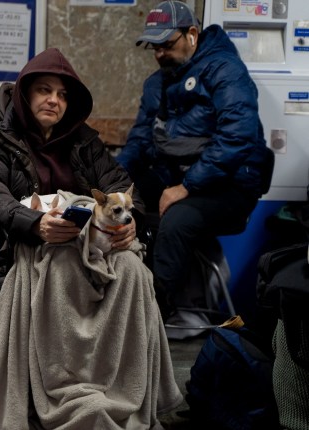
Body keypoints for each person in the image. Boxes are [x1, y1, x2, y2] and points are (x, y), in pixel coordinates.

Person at [0, 47, 183, 429]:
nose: (54, 100)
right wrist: (33, 222)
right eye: (45, 91)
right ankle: (65, 390)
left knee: (132, 267)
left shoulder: (82, 141)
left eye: (63, 95)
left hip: (89, 243)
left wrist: (129, 218)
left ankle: (119, 388)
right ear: (24, 94)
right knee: (60, 264)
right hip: (21, 245)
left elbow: (118, 183)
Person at [116, 0, 274, 318]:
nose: (160, 54)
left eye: (167, 44)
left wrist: (186, 186)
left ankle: (151, 316)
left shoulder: (226, 71)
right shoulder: (155, 85)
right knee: (128, 200)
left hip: (231, 185)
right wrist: (115, 183)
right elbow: (140, 140)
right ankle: (128, 295)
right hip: (178, 179)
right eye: (154, 47)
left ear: (191, 34)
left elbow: (237, 138)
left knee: (176, 221)